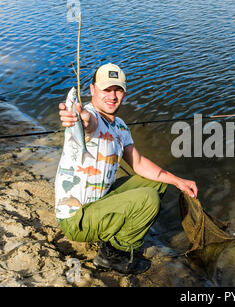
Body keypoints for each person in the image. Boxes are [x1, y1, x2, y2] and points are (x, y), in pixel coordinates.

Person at [56, 63, 198, 274]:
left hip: (100, 203)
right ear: (93, 89)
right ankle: (113, 254)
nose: (112, 96)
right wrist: (80, 120)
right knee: (148, 199)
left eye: (118, 90)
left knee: (157, 182)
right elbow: (88, 123)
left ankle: (113, 233)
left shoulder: (120, 126)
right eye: (106, 89)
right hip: (76, 219)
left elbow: (139, 163)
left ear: (124, 92)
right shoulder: (88, 114)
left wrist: (178, 181)